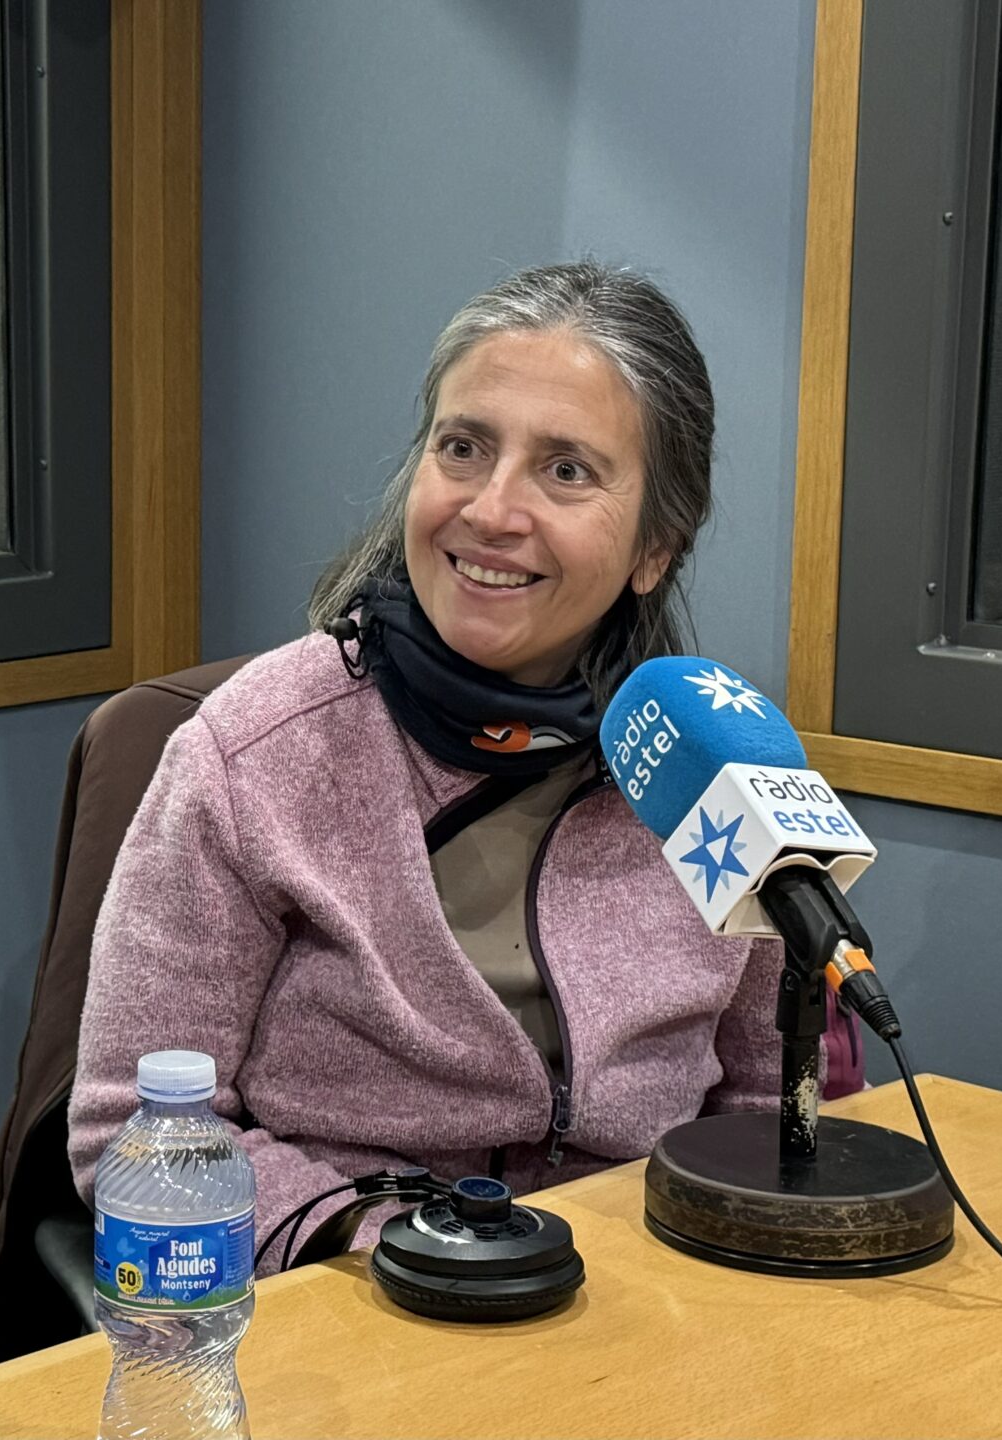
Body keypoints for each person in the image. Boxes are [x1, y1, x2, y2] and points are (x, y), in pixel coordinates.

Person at [68, 263, 862, 1259]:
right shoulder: (253, 755)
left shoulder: (712, 769)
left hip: (646, 1298)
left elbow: (776, 1107)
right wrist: (386, 1246)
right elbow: (133, 1141)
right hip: (344, 1306)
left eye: (565, 470)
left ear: (654, 547)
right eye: (463, 448)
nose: (491, 509)